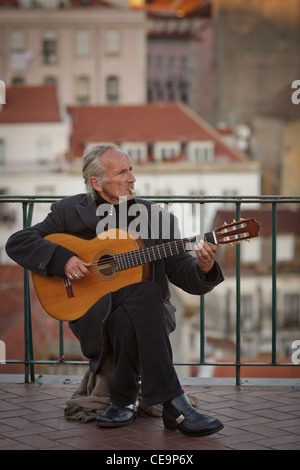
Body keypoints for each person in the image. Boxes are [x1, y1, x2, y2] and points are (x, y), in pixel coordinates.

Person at [6, 144, 225, 437]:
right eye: (122, 172)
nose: (132, 178)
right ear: (96, 183)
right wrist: (63, 259)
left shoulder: (153, 217)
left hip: (151, 314)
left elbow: (183, 272)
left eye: (131, 169)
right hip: (92, 312)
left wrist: (205, 267)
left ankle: (124, 401)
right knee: (143, 296)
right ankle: (174, 404)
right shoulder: (69, 212)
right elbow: (18, 242)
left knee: (144, 296)